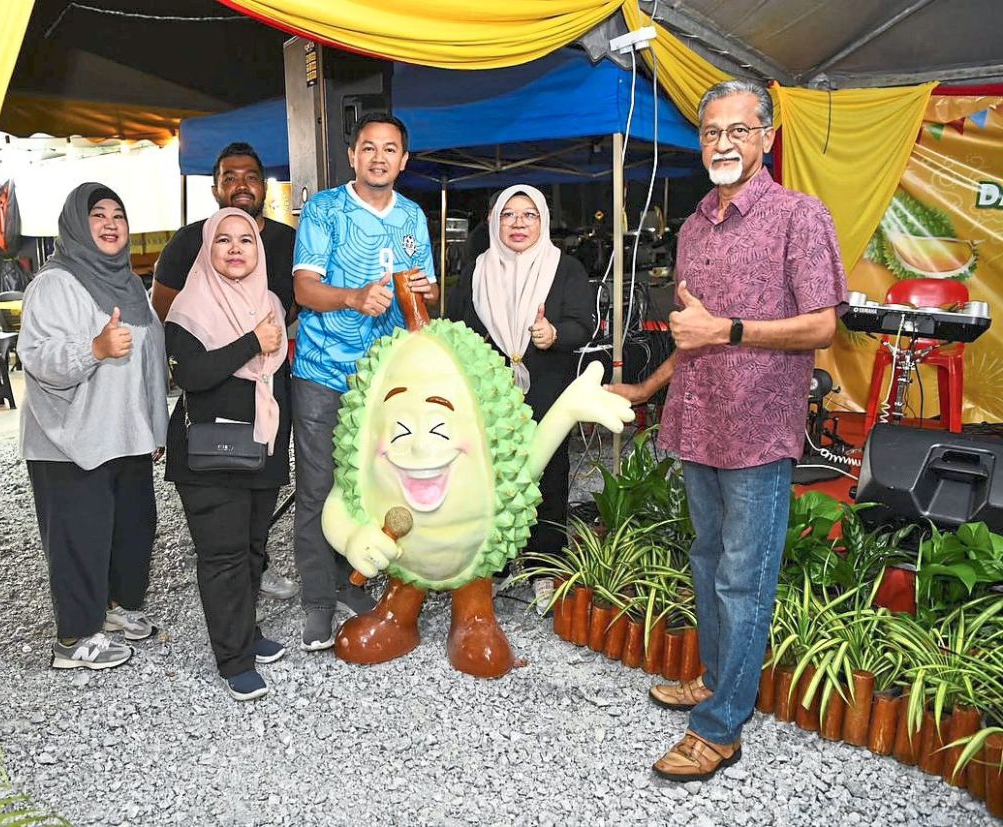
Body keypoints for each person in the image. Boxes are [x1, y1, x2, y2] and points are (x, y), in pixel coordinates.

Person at [607, 79, 846, 782]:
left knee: (744, 580)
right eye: (712, 132)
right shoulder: (691, 228)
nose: (724, 144)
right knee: (708, 564)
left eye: (739, 131)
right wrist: (647, 388)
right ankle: (717, 678)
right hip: (698, 422)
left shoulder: (800, 217)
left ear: (767, 137)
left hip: (759, 431)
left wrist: (731, 328)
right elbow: (692, 335)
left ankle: (720, 728)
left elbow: (824, 326)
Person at [291, 112, 439, 651]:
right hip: (323, 372)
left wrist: (422, 289)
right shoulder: (325, 210)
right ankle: (316, 599)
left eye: (390, 149)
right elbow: (306, 290)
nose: (379, 157)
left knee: (370, 486)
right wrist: (354, 296)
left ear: (404, 159)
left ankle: (350, 579)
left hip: (384, 380)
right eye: (369, 148)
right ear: (352, 156)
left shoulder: (413, 217)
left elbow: (427, 296)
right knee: (317, 486)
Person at [19, 182, 169, 671]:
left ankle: (113, 611)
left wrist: (156, 428)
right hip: (71, 439)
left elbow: (150, 364)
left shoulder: (129, 286)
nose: (110, 224)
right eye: (97, 215)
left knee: (129, 530)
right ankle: (75, 639)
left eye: (118, 216)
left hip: (126, 434)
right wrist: (95, 349)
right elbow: (39, 357)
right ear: (76, 225)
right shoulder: (56, 282)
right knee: (80, 538)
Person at [150, 141, 299, 601]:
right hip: (216, 390)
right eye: (229, 177)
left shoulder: (285, 241)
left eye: (251, 176)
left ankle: (255, 571)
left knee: (259, 494)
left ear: (264, 185)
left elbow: (295, 304)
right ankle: (233, 609)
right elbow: (166, 308)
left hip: (270, 382)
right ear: (215, 187)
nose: (241, 185)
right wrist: (220, 335)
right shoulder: (189, 240)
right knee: (224, 509)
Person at [446, 184, 595, 613]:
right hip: (489, 397)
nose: (518, 224)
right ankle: (496, 561)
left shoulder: (563, 268)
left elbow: (583, 323)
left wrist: (555, 335)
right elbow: (457, 324)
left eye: (529, 215)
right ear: (494, 222)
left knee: (548, 476)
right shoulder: (477, 269)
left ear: (543, 221)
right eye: (509, 215)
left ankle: (545, 564)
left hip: (547, 391)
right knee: (491, 477)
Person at [165, 207, 292, 701]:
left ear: (258, 252)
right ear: (207, 249)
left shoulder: (272, 304)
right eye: (223, 240)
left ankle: (246, 634)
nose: (236, 248)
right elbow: (190, 375)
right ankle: (233, 659)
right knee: (222, 556)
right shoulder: (190, 308)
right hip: (210, 454)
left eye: (245, 240)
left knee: (252, 549)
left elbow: (277, 376)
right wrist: (251, 342)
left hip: (261, 447)